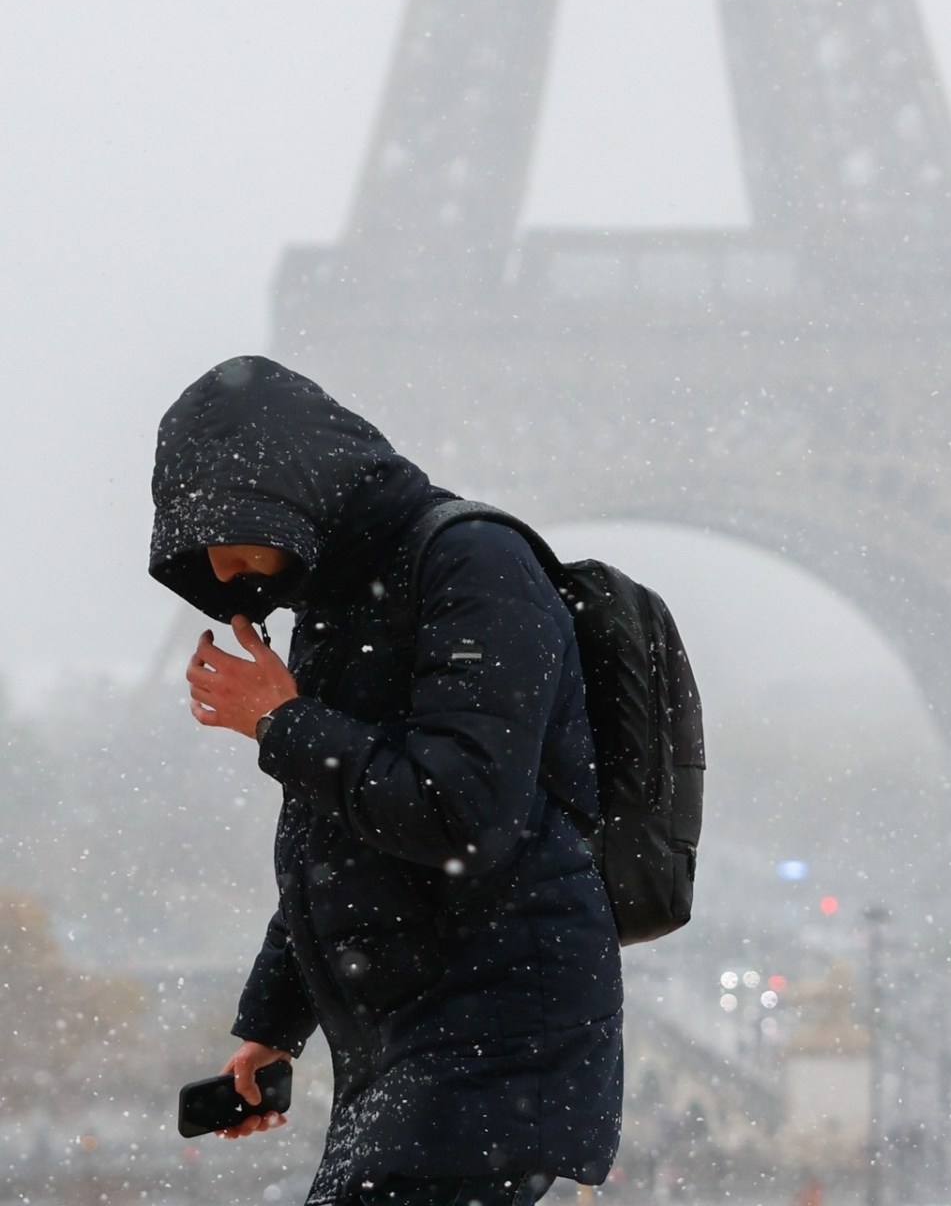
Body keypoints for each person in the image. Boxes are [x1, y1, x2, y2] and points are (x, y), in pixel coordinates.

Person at [149, 356, 624, 1206]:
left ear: (283, 496)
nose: (220, 575)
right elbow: (338, 845)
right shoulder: (343, 604)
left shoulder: (473, 564)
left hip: (489, 1041)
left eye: (219, 532)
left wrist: (279, 721)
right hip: (424, 1046)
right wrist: (274, 1027)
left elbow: (464, 816)